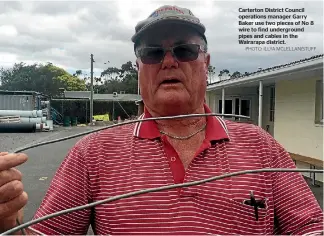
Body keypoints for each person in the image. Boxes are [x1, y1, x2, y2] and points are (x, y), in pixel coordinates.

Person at [0, 5, 323, 235]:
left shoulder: (261, 146)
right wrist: (9, 221)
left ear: (205, 63)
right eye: (153, 53)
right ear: (139, 67)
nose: (169, 62)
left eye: (184, 51)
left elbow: (310, 226)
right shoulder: (93, 152)